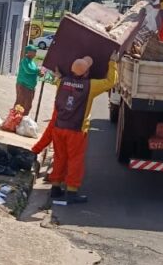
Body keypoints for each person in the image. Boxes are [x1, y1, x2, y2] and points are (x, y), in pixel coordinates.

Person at [49, 55, 117, 206]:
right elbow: (111, 82)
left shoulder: (61, 81)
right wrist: (112, 62)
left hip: (59, 127)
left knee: (59, 157)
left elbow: (57, 78)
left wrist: (58, 74)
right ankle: (71, 192)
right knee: (75, 160)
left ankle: (55, 187)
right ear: (86, 72)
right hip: (76, 130)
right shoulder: (90, 86)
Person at [14, 43, 39, 114]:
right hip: (23, 86)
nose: (35, 53)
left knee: (27, 105)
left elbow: (34, 71)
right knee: (21, 104)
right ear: (28, 52)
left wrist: (39, 73)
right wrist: (38, 71)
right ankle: (15, 118)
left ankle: (22, 118)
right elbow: (28, 70)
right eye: (34, 51)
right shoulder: (25, 61)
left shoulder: (32, 62)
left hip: (30, 87)